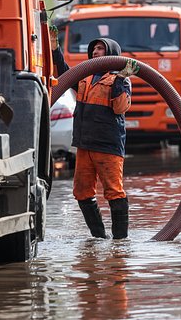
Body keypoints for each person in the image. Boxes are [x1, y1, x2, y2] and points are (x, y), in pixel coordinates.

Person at [50, 26, 139, 239]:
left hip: (107, 146)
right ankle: (99, 238)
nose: (96, 52)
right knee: (81, 192)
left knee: (114, 191)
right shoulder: (85, 78)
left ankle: (120, 243)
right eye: (94, 49)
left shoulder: (122, 81)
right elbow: (64, 73)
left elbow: (120, 108)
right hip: (84, 144)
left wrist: (119, 79)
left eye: (101, 48)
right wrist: (55, 47)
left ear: (111, 53)